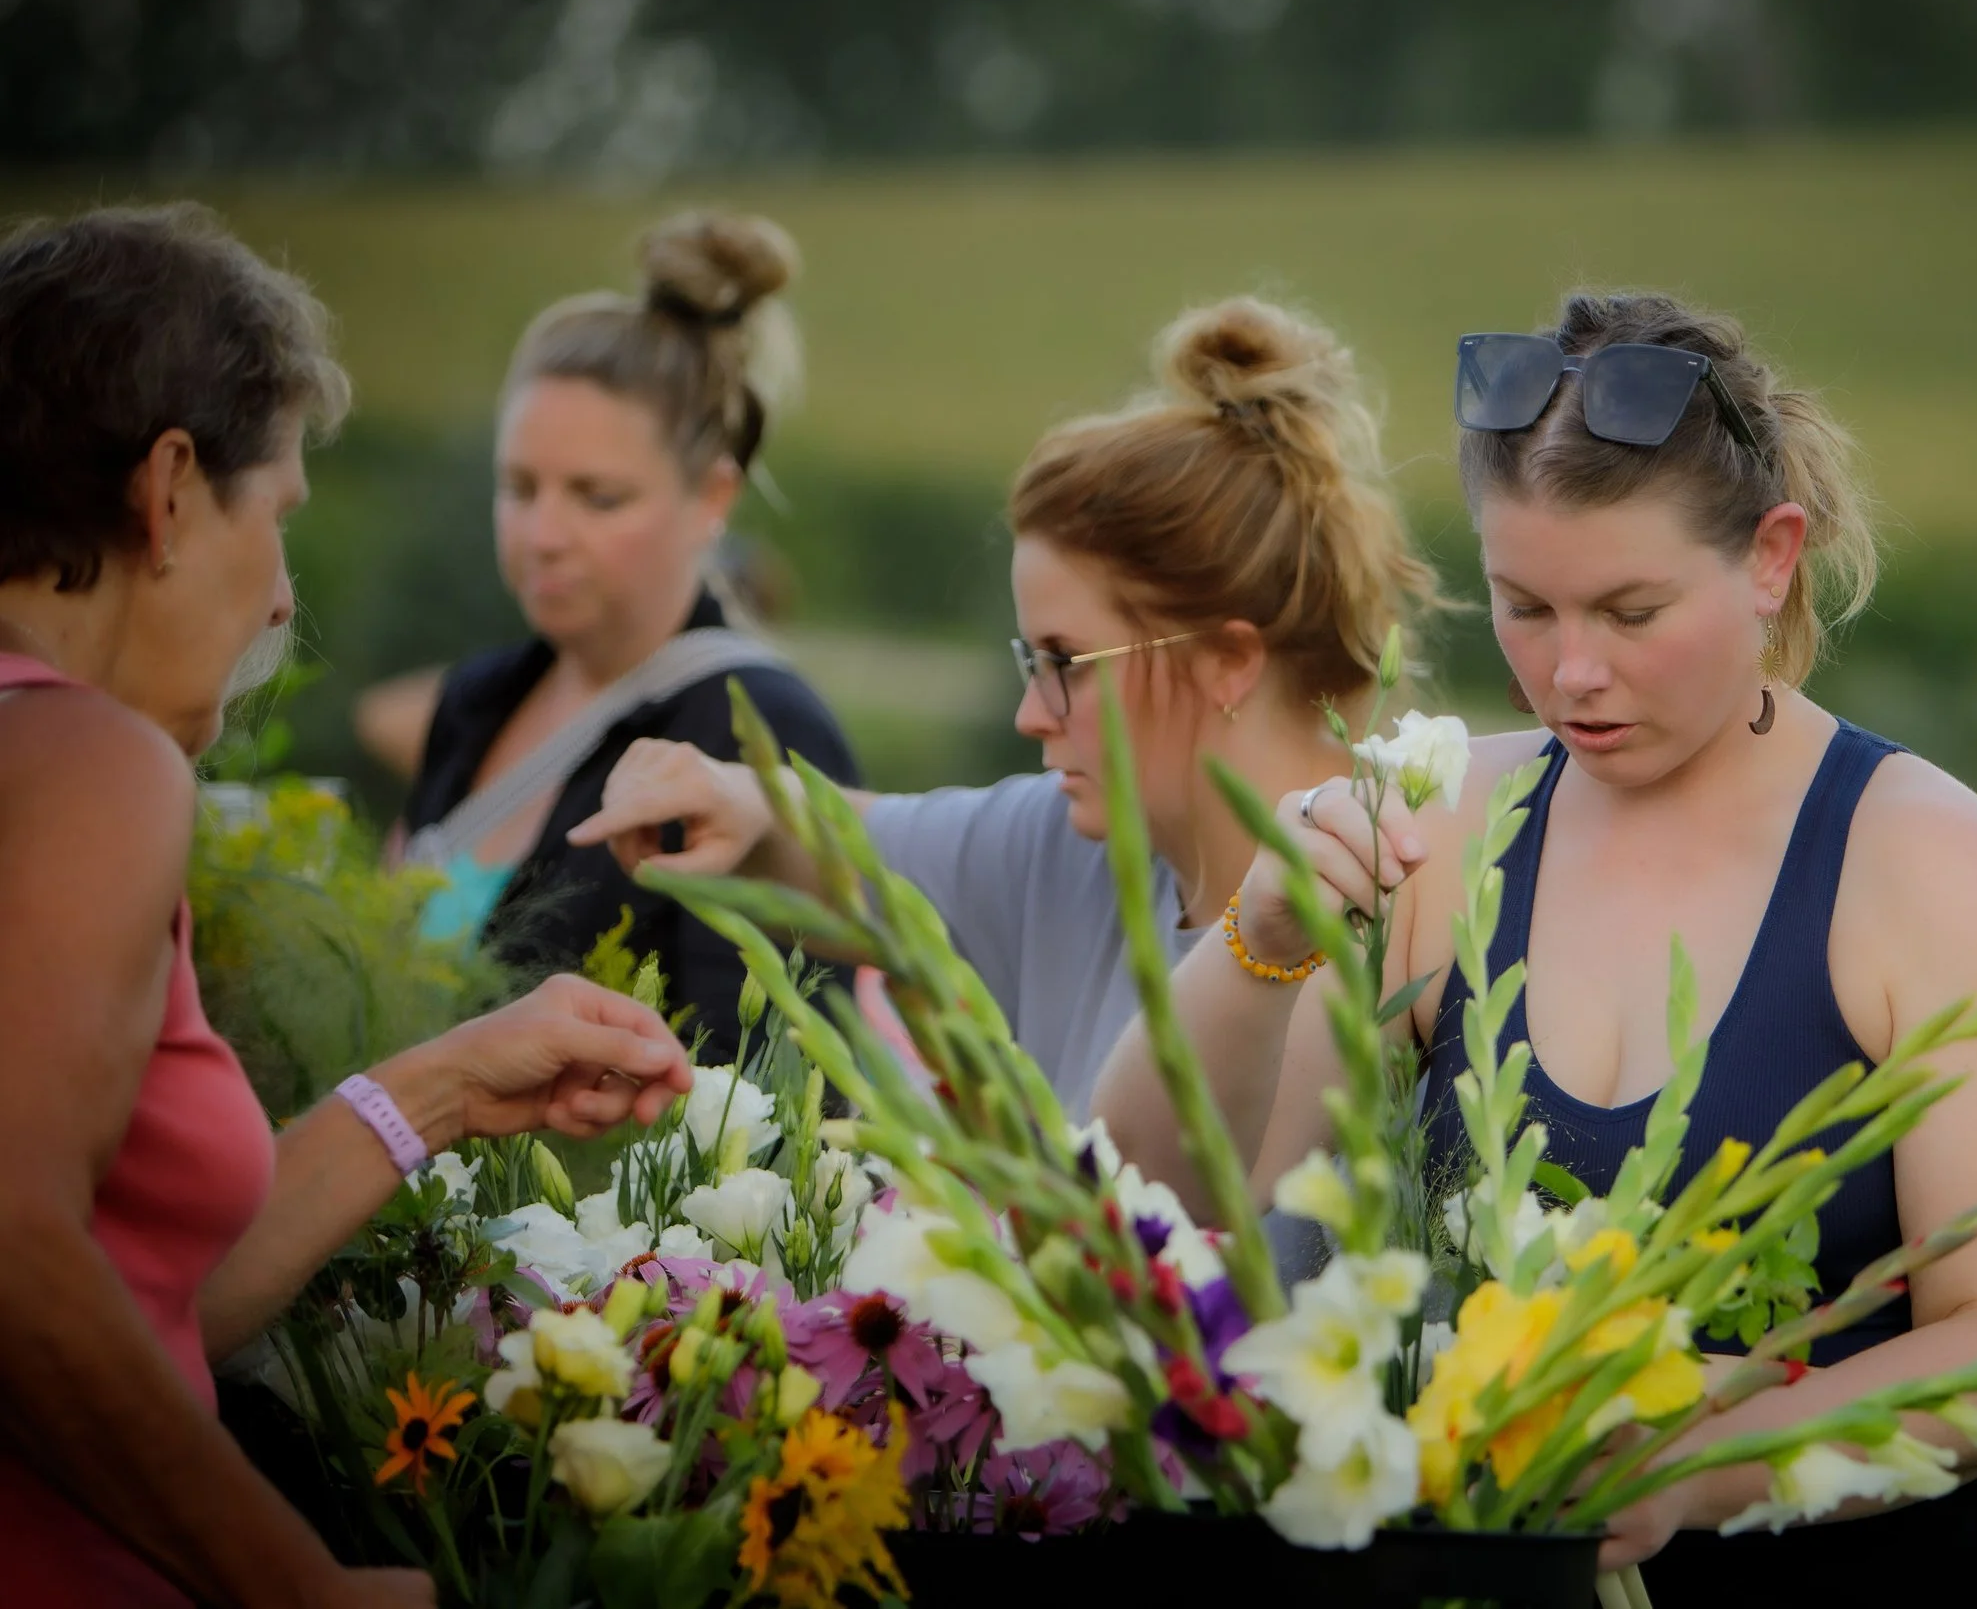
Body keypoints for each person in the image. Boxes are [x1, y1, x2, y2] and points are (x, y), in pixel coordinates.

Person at [1093, 293, 1977, 1602]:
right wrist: (1262, 938)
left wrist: (1696, 1466)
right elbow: (1188, 1230)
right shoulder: (1444, 825)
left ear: (1771, 555)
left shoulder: (1925, 864)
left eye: (1630, 612)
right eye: (1525, 607)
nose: (1570, 671)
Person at [0, 204, 694, 1608]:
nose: (279, 604)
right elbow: (17, 1249)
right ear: (172, 491)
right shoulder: (82, 765)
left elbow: (143, 1307)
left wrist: (433, 1090)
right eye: (282, 517)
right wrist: (296, 1586)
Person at [570, 296, 1442, 1113]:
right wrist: (720, 794)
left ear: (1228, 660)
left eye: (1066, 660)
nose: (1031, 714)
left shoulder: (1406, 903)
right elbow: (839, 842)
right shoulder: (1065, 854)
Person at [363, 211, 859, 1054]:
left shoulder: (755, 730)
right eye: (519, 488)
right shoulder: (475, 698)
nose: (543, 533)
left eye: (597, 497)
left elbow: (757, 1123)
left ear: (712, 498)